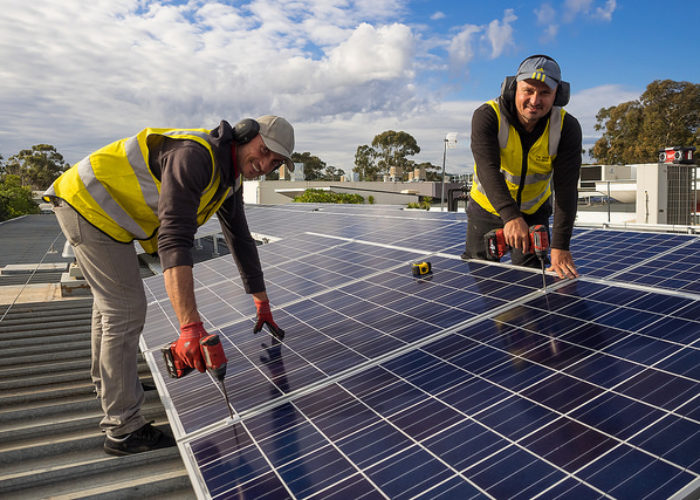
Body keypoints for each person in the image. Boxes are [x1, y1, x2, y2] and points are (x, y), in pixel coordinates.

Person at [43, 115, 292, 455]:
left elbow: (241, 241)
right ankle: (122, 428)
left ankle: (111, 385)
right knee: (125, 309)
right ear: (245, 135)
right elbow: (174, 239)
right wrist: (190, 327)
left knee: (111, 307)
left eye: (274, 162)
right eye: (263, 152)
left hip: (104, 216)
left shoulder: (229, 179)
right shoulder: (195, 156)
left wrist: (261, 302)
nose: (264, 165)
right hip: (87, 204)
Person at [462, 54, 581, 279]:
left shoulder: (566, 127)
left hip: (534, 212)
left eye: (545, 92)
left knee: (533, 280)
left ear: (559, 95)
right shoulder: (488, 116)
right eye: (528, 90)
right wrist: (510, 216)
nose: (535, 100)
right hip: (487, 209)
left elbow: (566, 190)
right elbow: (488, 169)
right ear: (512, 88)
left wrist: (561, 246)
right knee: (480, 277)